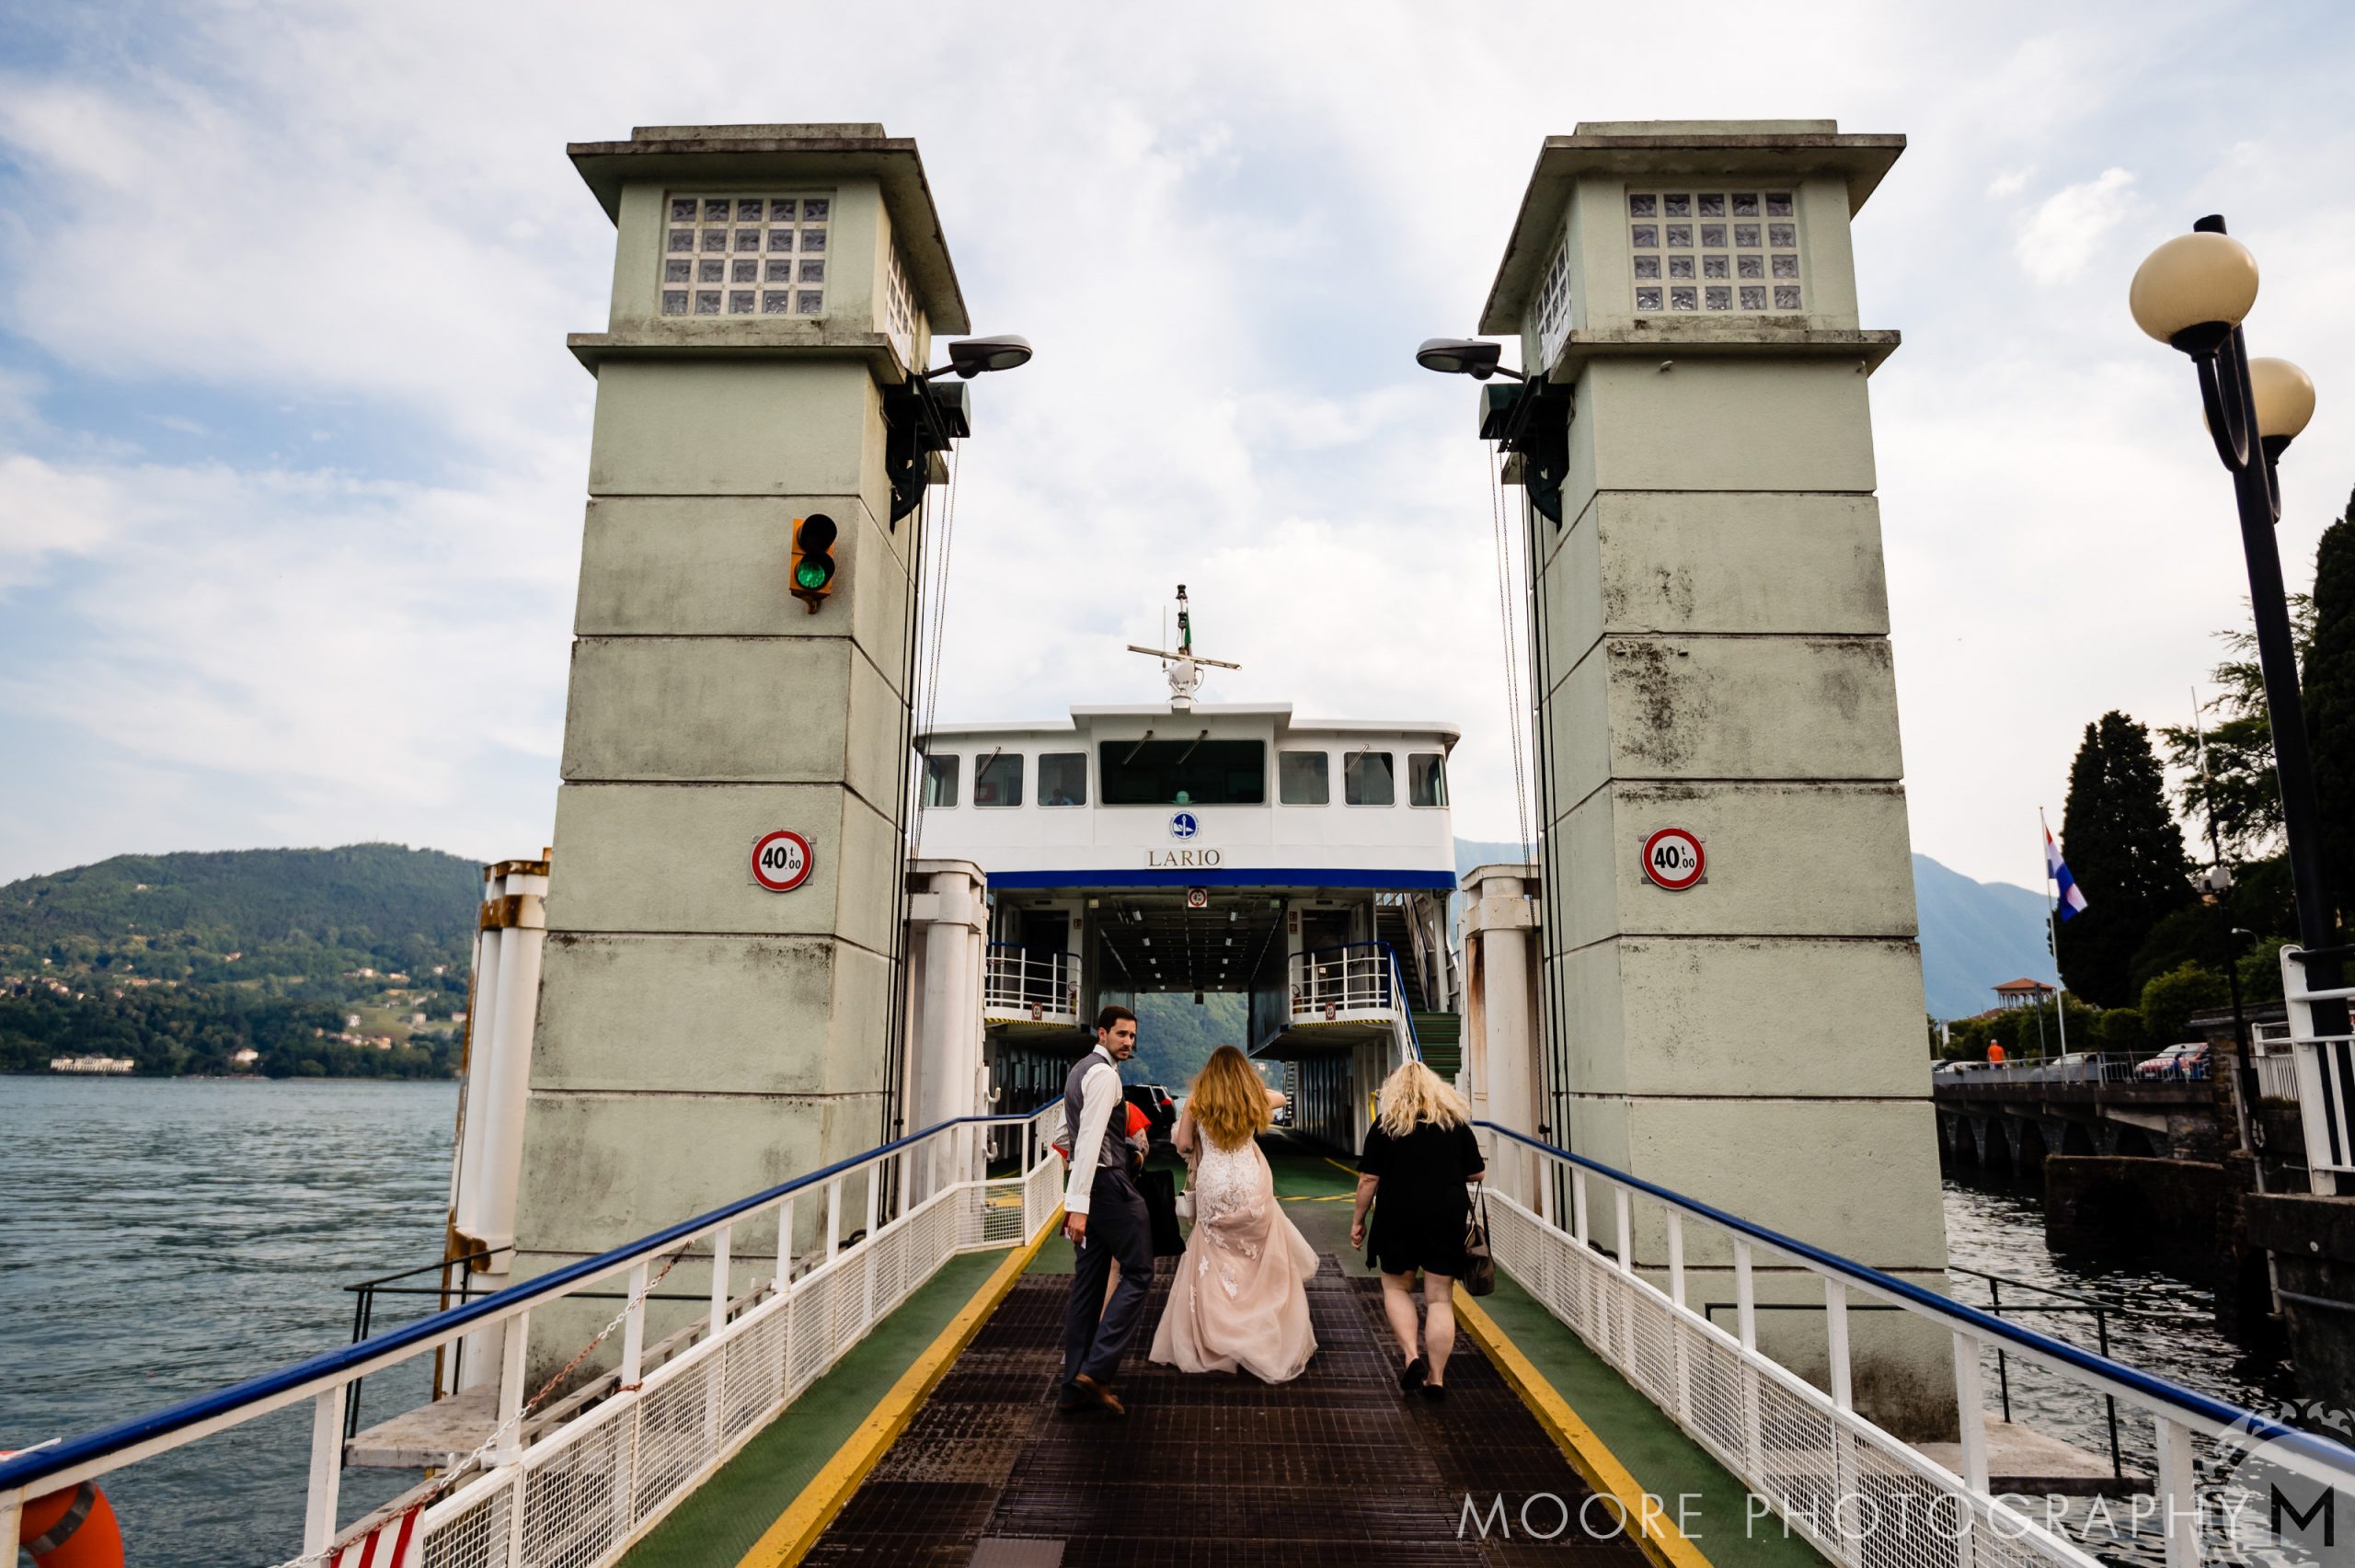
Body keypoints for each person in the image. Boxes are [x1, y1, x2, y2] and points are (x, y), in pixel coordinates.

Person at [1148, 1047, 1317, 1382]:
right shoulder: (1252, 1098)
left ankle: (1219, 1340)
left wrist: (1194, 1133)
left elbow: (1182, 1144)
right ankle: (1256, 1332)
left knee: (1214, 1253)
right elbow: (1280, 1098)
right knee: (1252, 1258)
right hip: (1248, 1180)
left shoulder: (1198, 1100)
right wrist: (1249, 1089)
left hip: (1214, 1182)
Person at [1350, 1060, 1484, 1400]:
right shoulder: (1454, 1124)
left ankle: (1412, 1357)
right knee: (1439, 1298)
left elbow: (1368, 1179)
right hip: (1444, 1216)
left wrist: (1358, 1221)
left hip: (1398, 1215)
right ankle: (1436, 1378)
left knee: (1397, 1288)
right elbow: (1477, 1174)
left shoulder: (1386, 1126)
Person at [1056, 1005, 1152, 1415]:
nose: (1128, 1042)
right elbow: (1091, 1139)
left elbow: (1064, 1134)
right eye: (1121, 1035)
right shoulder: (1105, 1076)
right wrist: (1078, 1206)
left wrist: (1076, 1193)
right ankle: (1095, 1371)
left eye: (1132, 1036)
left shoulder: (1078, 1071)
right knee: (1140, 1270)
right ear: (1102, 1033)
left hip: (1092, 1184)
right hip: (1109, 1185)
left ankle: (1073, 1383)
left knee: (1090, 1282)